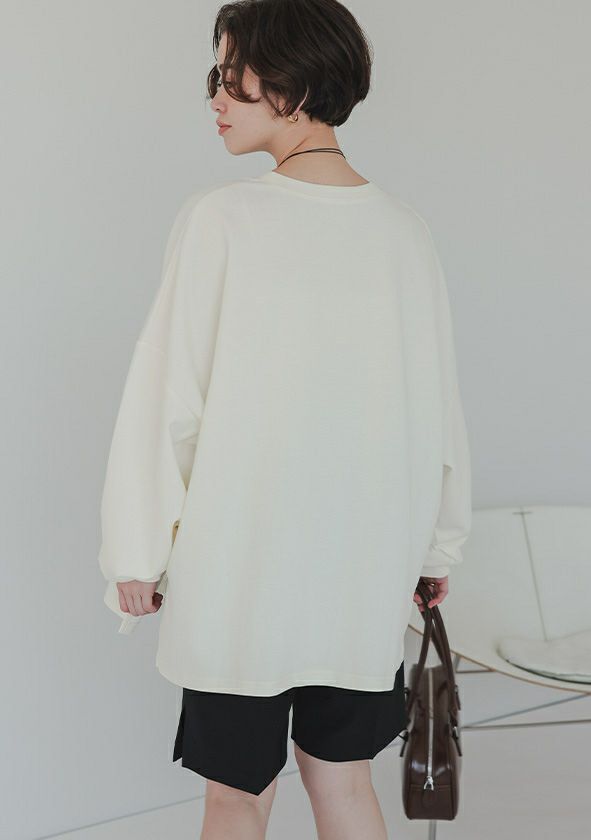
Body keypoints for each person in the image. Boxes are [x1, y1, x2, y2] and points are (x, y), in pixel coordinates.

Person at [96, 0, 472, 837]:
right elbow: (436, 411)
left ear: (291, 83)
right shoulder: (405, 233)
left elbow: (168, 399)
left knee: (236, 794)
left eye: (230, 76)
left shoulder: (222, 220)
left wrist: (136, 550)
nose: (215, 97)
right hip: (362, 571)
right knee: (344, 781)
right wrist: (435, 547)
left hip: (242, 575)